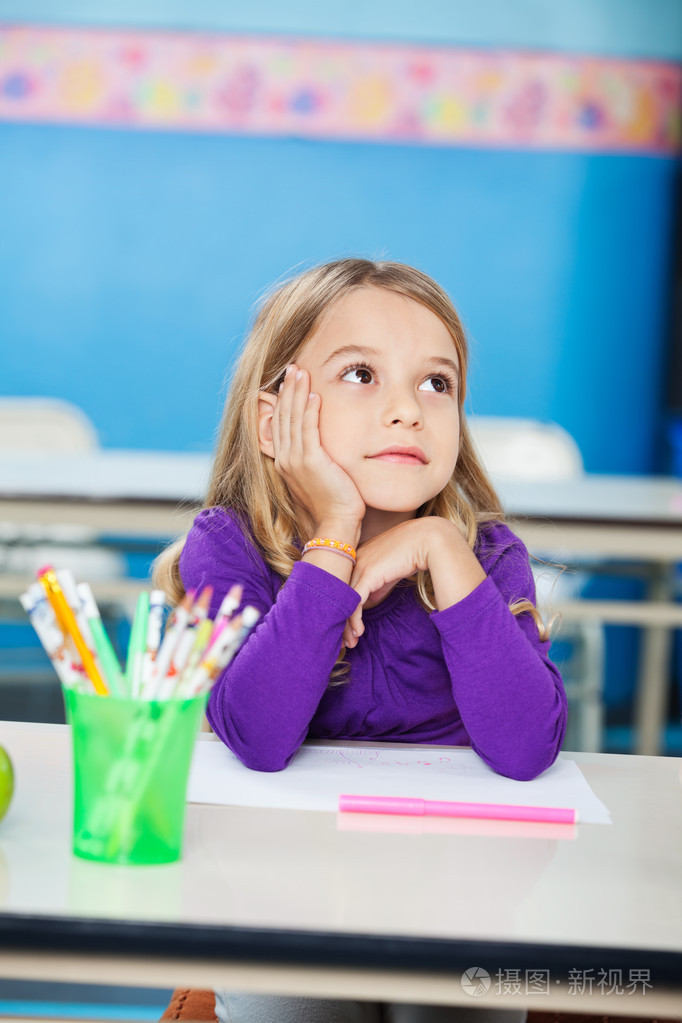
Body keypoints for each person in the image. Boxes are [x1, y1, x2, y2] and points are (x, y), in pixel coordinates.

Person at [154, 257, 567, 1023]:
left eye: (436, 383)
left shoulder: (485, 555)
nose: (409, 409)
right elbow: (258, 735)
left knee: (455, 1002)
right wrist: (335, 536)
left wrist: (440, 548)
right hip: (281, 887)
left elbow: (526, 748)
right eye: (360, 375)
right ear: (273, 416)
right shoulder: (230, 545)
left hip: (462, 889)